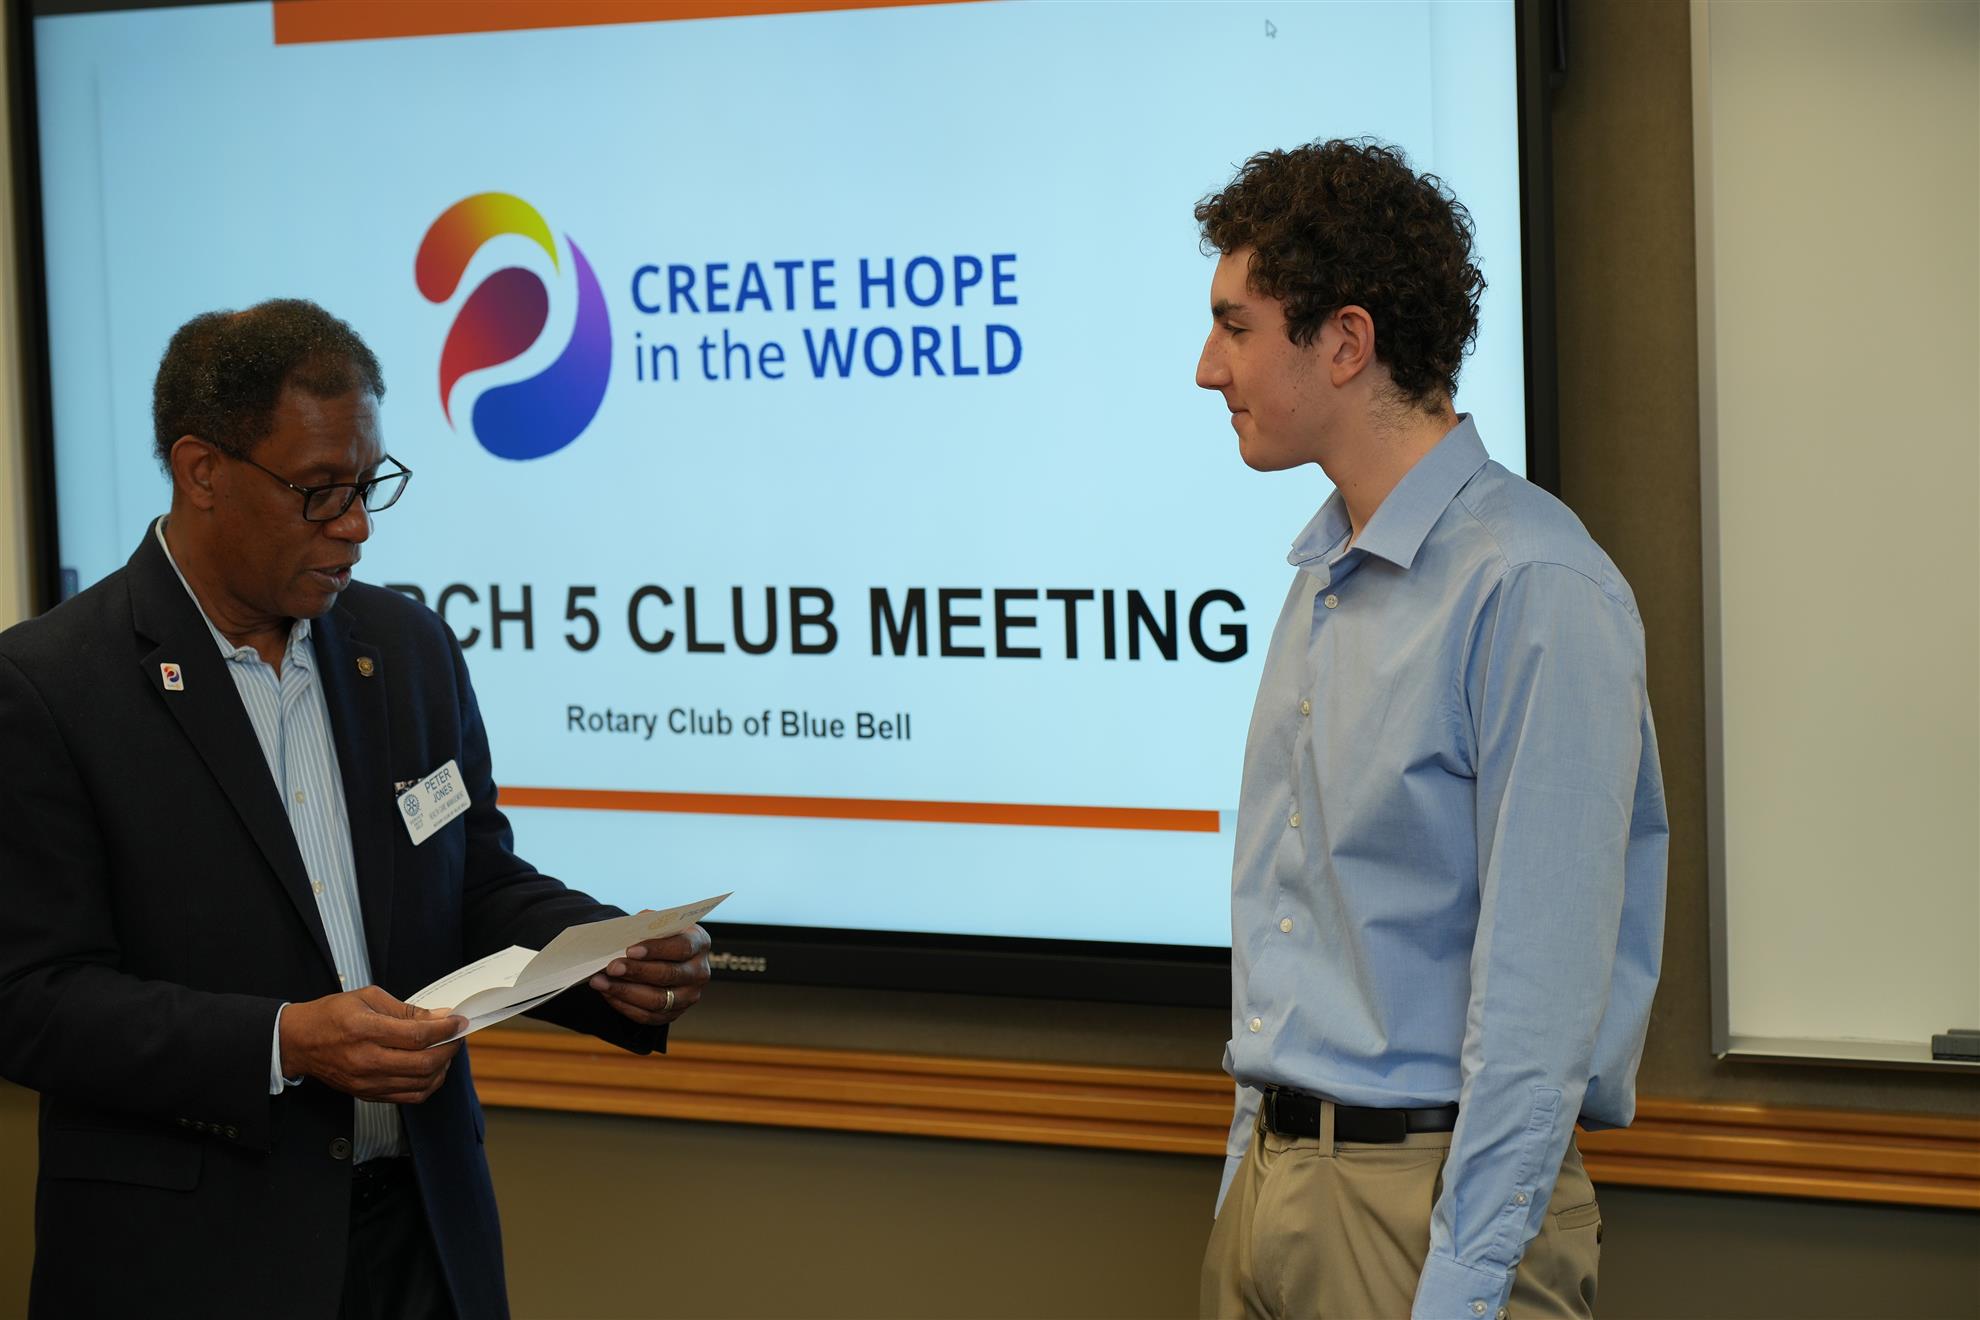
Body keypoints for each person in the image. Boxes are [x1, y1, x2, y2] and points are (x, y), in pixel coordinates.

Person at [0, 300, 712, 1320]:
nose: (356, 525)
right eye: (319, 491)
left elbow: (473, 881)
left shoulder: (407, 648)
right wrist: (284, 1041)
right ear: (202, 472)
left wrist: (602, 956)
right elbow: (29, 999)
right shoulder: (48, 686)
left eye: (370, 485)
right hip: (197, 1263)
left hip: (422, 1238)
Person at [1193, 140, 1668, 1320]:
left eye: (1236, 326)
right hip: (1275, 1193)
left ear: (1346, 341)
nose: (1208, 368)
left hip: (1428, 1218)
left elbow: (1539, 1008)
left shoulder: (1535, 585)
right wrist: (1248, 1182)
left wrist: (1460, 1290)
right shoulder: (1326, 571)